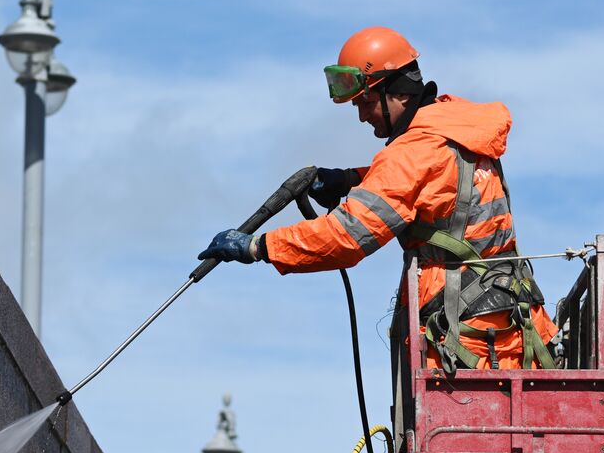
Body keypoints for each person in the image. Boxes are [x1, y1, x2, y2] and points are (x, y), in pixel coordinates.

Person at [197, 27, 557, 371]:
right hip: (508, 331)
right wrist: (351, 179)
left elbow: (346, 236)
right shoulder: (453, 128)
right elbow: (435, 185)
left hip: (470, 349)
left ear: (397, 91)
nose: (362, 116)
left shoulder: (411, 153)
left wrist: (258, 247)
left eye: (366, 102)